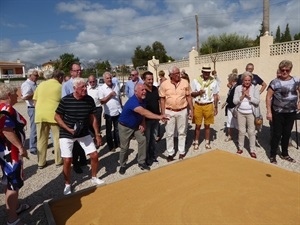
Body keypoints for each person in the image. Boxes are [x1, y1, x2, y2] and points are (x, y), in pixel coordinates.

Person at [55, 77, 104, 195]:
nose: (85, 88)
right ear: (74, 88)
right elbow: (57, 117)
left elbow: (93, 118)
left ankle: (94, 177)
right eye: (82, 87)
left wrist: (97, 134)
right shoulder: (66, 100)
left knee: (94, 154)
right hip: (66, 133)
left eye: (85, 86)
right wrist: (68, 129)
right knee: (67, 160)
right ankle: (67, 184)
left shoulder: (89, 100)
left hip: (83, 132)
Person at [118, 83, 169, 175]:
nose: (144, 91)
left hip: (136, 125)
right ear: (135, 92)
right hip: (125, 127)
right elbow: (144, 112)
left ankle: (141, 162)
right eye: (142, 90)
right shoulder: (133, 101)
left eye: (145, 90)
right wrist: (160, 116)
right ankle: (123, 164)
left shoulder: (143, 100)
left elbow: (142, 115)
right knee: (125, 147)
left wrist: (143, 123)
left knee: (143, 140)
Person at [0, 83, 29, 225]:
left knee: (9, 181)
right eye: (15, 93)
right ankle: (13, 220)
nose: (18, 96)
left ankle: (15, 207)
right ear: (9, 95)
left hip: (7, 152)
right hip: (10, 153)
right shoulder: (5, 109)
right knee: (13, 183)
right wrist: (20, 147)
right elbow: (6, 130)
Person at [266, 60, 299, 164]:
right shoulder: (275, 82)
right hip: (278, 112)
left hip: (291, 111)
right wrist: (269, 112)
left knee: (287, 133)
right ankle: (272, 155)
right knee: (277, 134)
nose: (284, 72)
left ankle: (285, 153)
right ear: (280, 70)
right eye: (282, 70)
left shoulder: (296, 80)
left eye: (287, 70)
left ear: (290, 70)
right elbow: (268, 97)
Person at [159, 65, 193, 162]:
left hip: (182, 111)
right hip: (169, 111)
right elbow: (162, 99)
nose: (179, 75)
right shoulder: (164, 84)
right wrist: (162, 113)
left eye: (179, 73)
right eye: (176, 73)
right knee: (169, 133)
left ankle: (181, 151)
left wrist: (191, 110)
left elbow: (189, 97)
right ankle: (170, 152)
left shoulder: (185, 82)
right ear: (171, 75)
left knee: (182, 132)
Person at [33, 70, 64, 169]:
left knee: (41, 139)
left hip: (40, 115)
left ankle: (41, 162)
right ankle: (58, 160)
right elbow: (63, 102)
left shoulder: (41, 85)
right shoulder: (59, 87)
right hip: (54, 115)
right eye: (62, 78)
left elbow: (35, 101)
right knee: (57, 138)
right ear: (59, 77)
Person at [61, 63, 87, 174]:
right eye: (76, 70)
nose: (79, 72)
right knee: (75, 142)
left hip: (83, 116)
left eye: (80, 70)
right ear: (71, 72)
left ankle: (83, 159)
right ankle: (75, 164)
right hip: (72, 118)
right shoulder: (67, 85)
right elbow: (64, 101)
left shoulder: (83, 82)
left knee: (84, 138)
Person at [191, 66, 219, 150]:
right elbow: (191, 94)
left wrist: (216, 106)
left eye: (208, 72)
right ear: (202, 72)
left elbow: (215, 95)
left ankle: (207, 142)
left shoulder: (213, 81)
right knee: (198, 125)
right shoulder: (196, 81)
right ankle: (196, 141)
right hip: (198, 105)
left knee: (207, 125)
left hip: (209, 105)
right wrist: (199, 93)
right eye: (205, 72)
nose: (207, 74)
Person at [233, 71, 260, 158]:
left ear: (251, 80)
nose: (247, 82)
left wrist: (248, 96)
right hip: (240, 112)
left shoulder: (254, 88)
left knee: (251, 132)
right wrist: (242, 96)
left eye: (249, 80)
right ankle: (240, 147)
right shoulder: (238, 88)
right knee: (241, 131)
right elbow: (234, 101)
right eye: (245, 80)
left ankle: (252, 150)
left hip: (251, 113)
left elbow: (257, 101)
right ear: (242, 80)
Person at [99, 72, 122, 152]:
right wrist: (110, 95)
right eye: (107, 78)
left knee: (117, 129)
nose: (109, 79)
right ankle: (111, 146)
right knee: (109, 130)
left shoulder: (116, 86)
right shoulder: (102, 88)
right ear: (104, 79)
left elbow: (119, 97)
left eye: (110, 78)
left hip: (118, 110)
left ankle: (117, 143)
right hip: (109, 113)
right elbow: (101, 101)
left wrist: (121, 106)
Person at [142, 71, 160, 164]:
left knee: (153, 139)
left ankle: (152, 155)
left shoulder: (155, 89)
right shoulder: (142, 91)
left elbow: (159, 101)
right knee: (147, 139)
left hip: (156, 118)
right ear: (144, 80)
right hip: (146, 120)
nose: (151, 81)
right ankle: (145, 158)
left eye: (152, 79)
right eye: (149, 79)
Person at [21, 68, 39, 155]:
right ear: (30, 75)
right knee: (34, 128)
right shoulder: (26, 84)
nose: (37, 77)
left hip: (36, 107)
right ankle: (32, 147)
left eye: (37, 75)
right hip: (32, 108)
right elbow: (25, 97)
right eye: (36, 75)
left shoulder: (34, 83)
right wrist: (36, 93)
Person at [222, 70, 238, 142]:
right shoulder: (231, 87)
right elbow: (229, 97)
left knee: (238, 122)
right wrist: (225, 103)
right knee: (229, 121)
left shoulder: (237, 87)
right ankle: (230, 135)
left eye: (229, 79)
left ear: (232, 80)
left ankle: (239, 137)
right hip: (230, 106)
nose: (228, 80)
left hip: (235, 107)